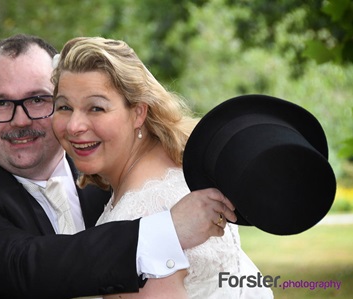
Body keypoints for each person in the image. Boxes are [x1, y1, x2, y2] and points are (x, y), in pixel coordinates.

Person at [0, 34, 237, 299]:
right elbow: (25, 266)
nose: (19, 120)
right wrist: (166, 231)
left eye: (37, 100)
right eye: (1, 103)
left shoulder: (112, 186)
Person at [51, 36, 274, 298]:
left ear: (138, 113)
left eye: (96, 108)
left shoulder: (139, 223)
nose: (74, 125)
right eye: (64, 106)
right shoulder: (185, 171)